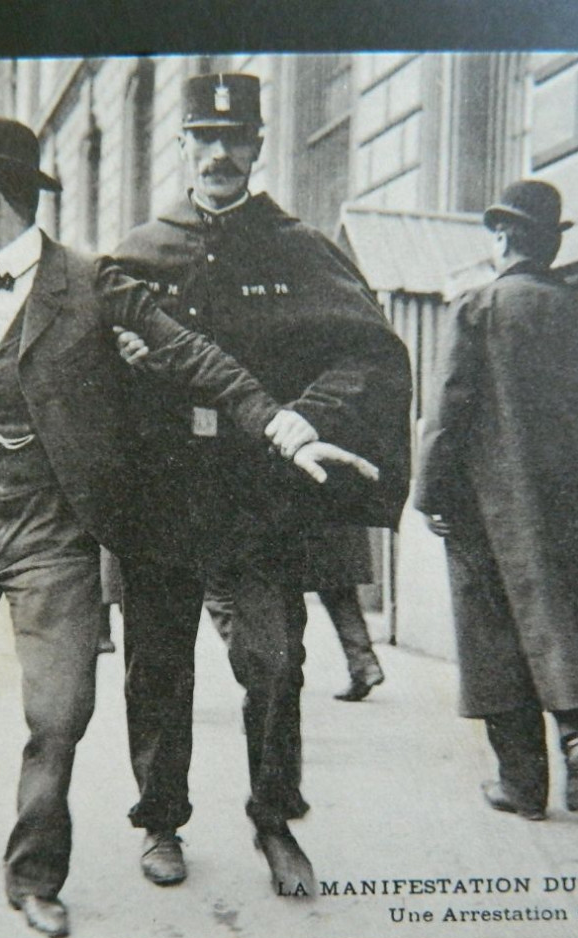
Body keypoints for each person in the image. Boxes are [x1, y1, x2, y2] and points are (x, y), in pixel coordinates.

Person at [0, 116, 366, 938]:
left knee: (64, 714)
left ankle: (38, 875)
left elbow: (196, 357)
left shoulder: (96, 279)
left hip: (70, 524)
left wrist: (283, 423)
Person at [112, 73, 411, 894]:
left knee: (274, 660)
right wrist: (126, 367)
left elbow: (371, 351)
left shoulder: (300, 250)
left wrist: (308, 416)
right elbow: (83, 368)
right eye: (203, 138)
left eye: (233, 139)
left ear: (257, 146)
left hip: (259, 497)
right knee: (159, 666)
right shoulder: (138, 253)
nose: (218, 154)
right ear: (182, 146)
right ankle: (162, 820)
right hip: (165, 495)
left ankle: (274, 818)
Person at [414, 179, 578, 821]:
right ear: (550, 244)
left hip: (489, 509)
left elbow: (448, 410)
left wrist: (430, 493)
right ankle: (576, 734)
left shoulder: (477, 309)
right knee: (564, 622)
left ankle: (521, 785)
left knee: (495, 639)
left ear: (503, 238)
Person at [202, 526, 385, 702]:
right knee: (338, 592)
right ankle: (363, 663)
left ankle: (273, 675)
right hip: (335, 528)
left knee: (285, 598)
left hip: (297, 534)